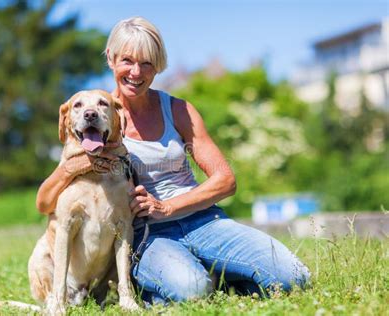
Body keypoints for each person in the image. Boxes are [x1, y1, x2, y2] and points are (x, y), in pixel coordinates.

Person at [36, 16, 310, 305]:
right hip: (149, 235)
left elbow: (225, 180)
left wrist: (167, 207)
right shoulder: (97, 119)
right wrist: (72, 167)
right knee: (192, 290)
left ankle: (198, 279)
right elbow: (44, 203)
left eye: (147, 63)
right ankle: (179, 281)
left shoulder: (178, 110)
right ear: (111, 59)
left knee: (294, 276)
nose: (136, 72)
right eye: (127, 60)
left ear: (157, 66)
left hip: (204, 220)